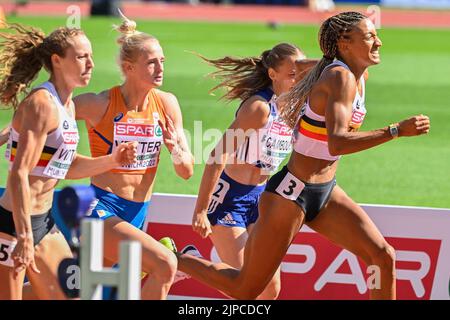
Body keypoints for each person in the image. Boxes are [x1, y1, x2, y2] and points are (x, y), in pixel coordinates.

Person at [175, 11, 430, 300]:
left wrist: (313, 61)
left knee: (382, 256)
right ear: (345, 43)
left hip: (324, 190)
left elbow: (304, 66)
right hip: (289, 194)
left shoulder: (356, 74)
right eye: (370, 36)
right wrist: (396, 130)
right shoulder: (337, 78)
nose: (379, 42)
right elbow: (337, 143)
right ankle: (179, 259)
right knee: (246, 289)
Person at [0, 23, 136, 300]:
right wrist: (24, 236)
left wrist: (112, 160)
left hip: (44, 222)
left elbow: (67, 166)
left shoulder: (68, 106)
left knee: (73, 294)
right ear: (57, 61)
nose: (90, 64)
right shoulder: (43, 104)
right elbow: (19, 174)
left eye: (91, 56)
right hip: (13, 224)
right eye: (81, 57)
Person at [74, 14, 194, 300]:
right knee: (165, 264)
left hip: (138, 212)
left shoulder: (166, 104)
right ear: (129, 67)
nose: (160, 68)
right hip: (100, 207)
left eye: (162, 61)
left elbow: (187, 171)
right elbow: (47, 113)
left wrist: (174, 147)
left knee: (74, 293)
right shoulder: (99, 103)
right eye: (151, 62)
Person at [190, 43, 316, 299]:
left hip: (262, 199)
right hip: (229, 199)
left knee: (271, 290)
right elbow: (217, 156)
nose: (299, 78)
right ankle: (184, 261)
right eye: (292, 73)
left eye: (302, 72)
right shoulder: (258, 108)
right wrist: (201, 209)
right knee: (244, 289)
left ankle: (188, 261)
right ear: (273, 74)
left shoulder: (295, 108)